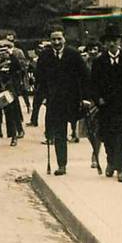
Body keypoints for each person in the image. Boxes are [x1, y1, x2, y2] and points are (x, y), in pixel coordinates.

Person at [90, 24, 122, 182]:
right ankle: (111, 161)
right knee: (108, 137)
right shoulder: (99, 62)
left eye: (114, 40)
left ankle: (121, 169)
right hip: (106, 107)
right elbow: (93, 84)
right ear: (105, 43)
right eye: (108, 41)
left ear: (119, 41)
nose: (112, 44)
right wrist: (98, 98)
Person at [36, 26, 88, 175]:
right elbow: (40, 79)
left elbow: (85, 76)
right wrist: (44, 96)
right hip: (55, 101)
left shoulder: (73, 54)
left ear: (64, 39)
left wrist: (85, 98)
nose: (56, 42)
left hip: (72, 99)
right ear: (50, 40)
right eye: (53, 39)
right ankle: (61, 164)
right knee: (59, 133)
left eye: (59, 38)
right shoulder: (45, 56)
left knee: (83, 128)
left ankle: (96, 159)